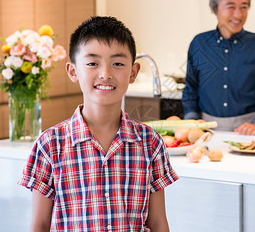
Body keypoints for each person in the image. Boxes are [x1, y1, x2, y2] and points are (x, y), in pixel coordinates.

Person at [18, 16, 178, 231]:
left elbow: (158, 222)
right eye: (93, 63)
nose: (106, 74)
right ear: (73, 71)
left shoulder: (150, 143)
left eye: (118, 64)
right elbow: (40, 224)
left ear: (133, 72)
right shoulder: (49, 145)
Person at [182, 0, 255, 135]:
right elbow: (191, 88)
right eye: (231, 7)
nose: (238, 14)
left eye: (244, 7)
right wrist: (192, 120)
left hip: (249, 130)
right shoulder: (199, 43)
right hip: (204, 130)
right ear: (214, 8)